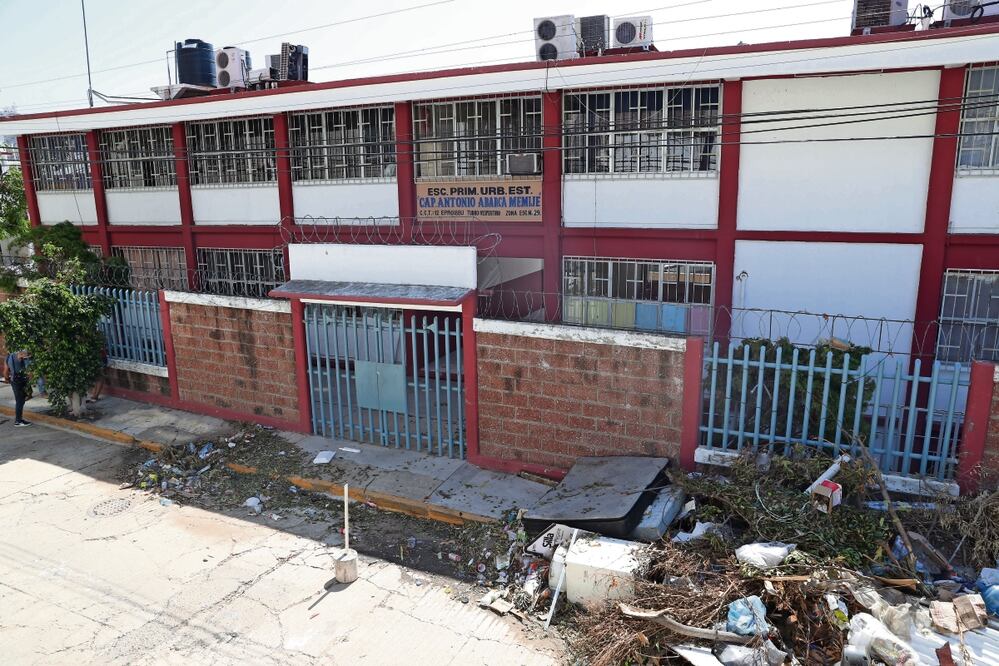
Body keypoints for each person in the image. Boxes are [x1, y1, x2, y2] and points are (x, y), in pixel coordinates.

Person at [3, 350, 32, 427]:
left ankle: (19, 419)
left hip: (14, 381)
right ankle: (18, 421)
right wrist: (31, 379)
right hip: (21, 381)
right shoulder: (23, 356)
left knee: (21, 400)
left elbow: (5, 371)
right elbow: (29, 372)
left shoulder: (8, 357)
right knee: (20, 401)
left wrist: (7, 379)